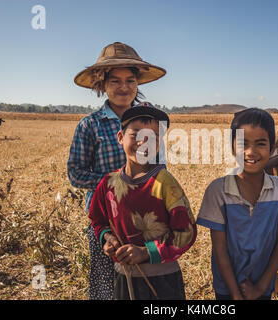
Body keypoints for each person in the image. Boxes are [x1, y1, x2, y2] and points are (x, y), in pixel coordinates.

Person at [67, 42, 166, 300]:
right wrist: (115, 183)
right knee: (107, 285)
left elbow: (161, 165)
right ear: (102, 84)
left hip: (145, 218)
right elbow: (75, 173)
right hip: (105, 222)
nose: (124, 87)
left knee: (146, 285)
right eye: (115, 81)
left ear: (137, 83)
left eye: (130, 80)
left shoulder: (151, 122)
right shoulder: (90, 125)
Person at [88, 102, 197, 300]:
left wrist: (146, 252)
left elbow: (186, 233)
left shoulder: (165, 184)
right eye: (136, 134)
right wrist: (108, 238)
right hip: (123, 276)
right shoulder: (108, 184)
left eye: (152, 138)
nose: (143, 142)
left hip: (162, 280)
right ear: (120, 138)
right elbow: (98, 220)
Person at [196, 108, 278, 300]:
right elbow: (219, 248)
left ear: (271, 149)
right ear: (232, 148)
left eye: (260, 144)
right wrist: (235, 293)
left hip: (263, 286)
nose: (251, 152)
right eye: (243, 144)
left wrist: (260, 288)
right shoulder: (218, 191)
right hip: (226, 288)